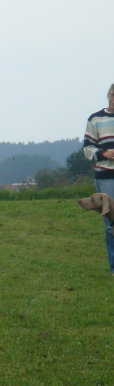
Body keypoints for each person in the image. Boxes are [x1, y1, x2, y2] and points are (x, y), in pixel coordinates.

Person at [83, 82, 114, 275]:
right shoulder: (95, 119)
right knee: (111, 223)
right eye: (112, 95)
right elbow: (87, 148)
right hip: (106, 177)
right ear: (108, 97)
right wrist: (103, 154)